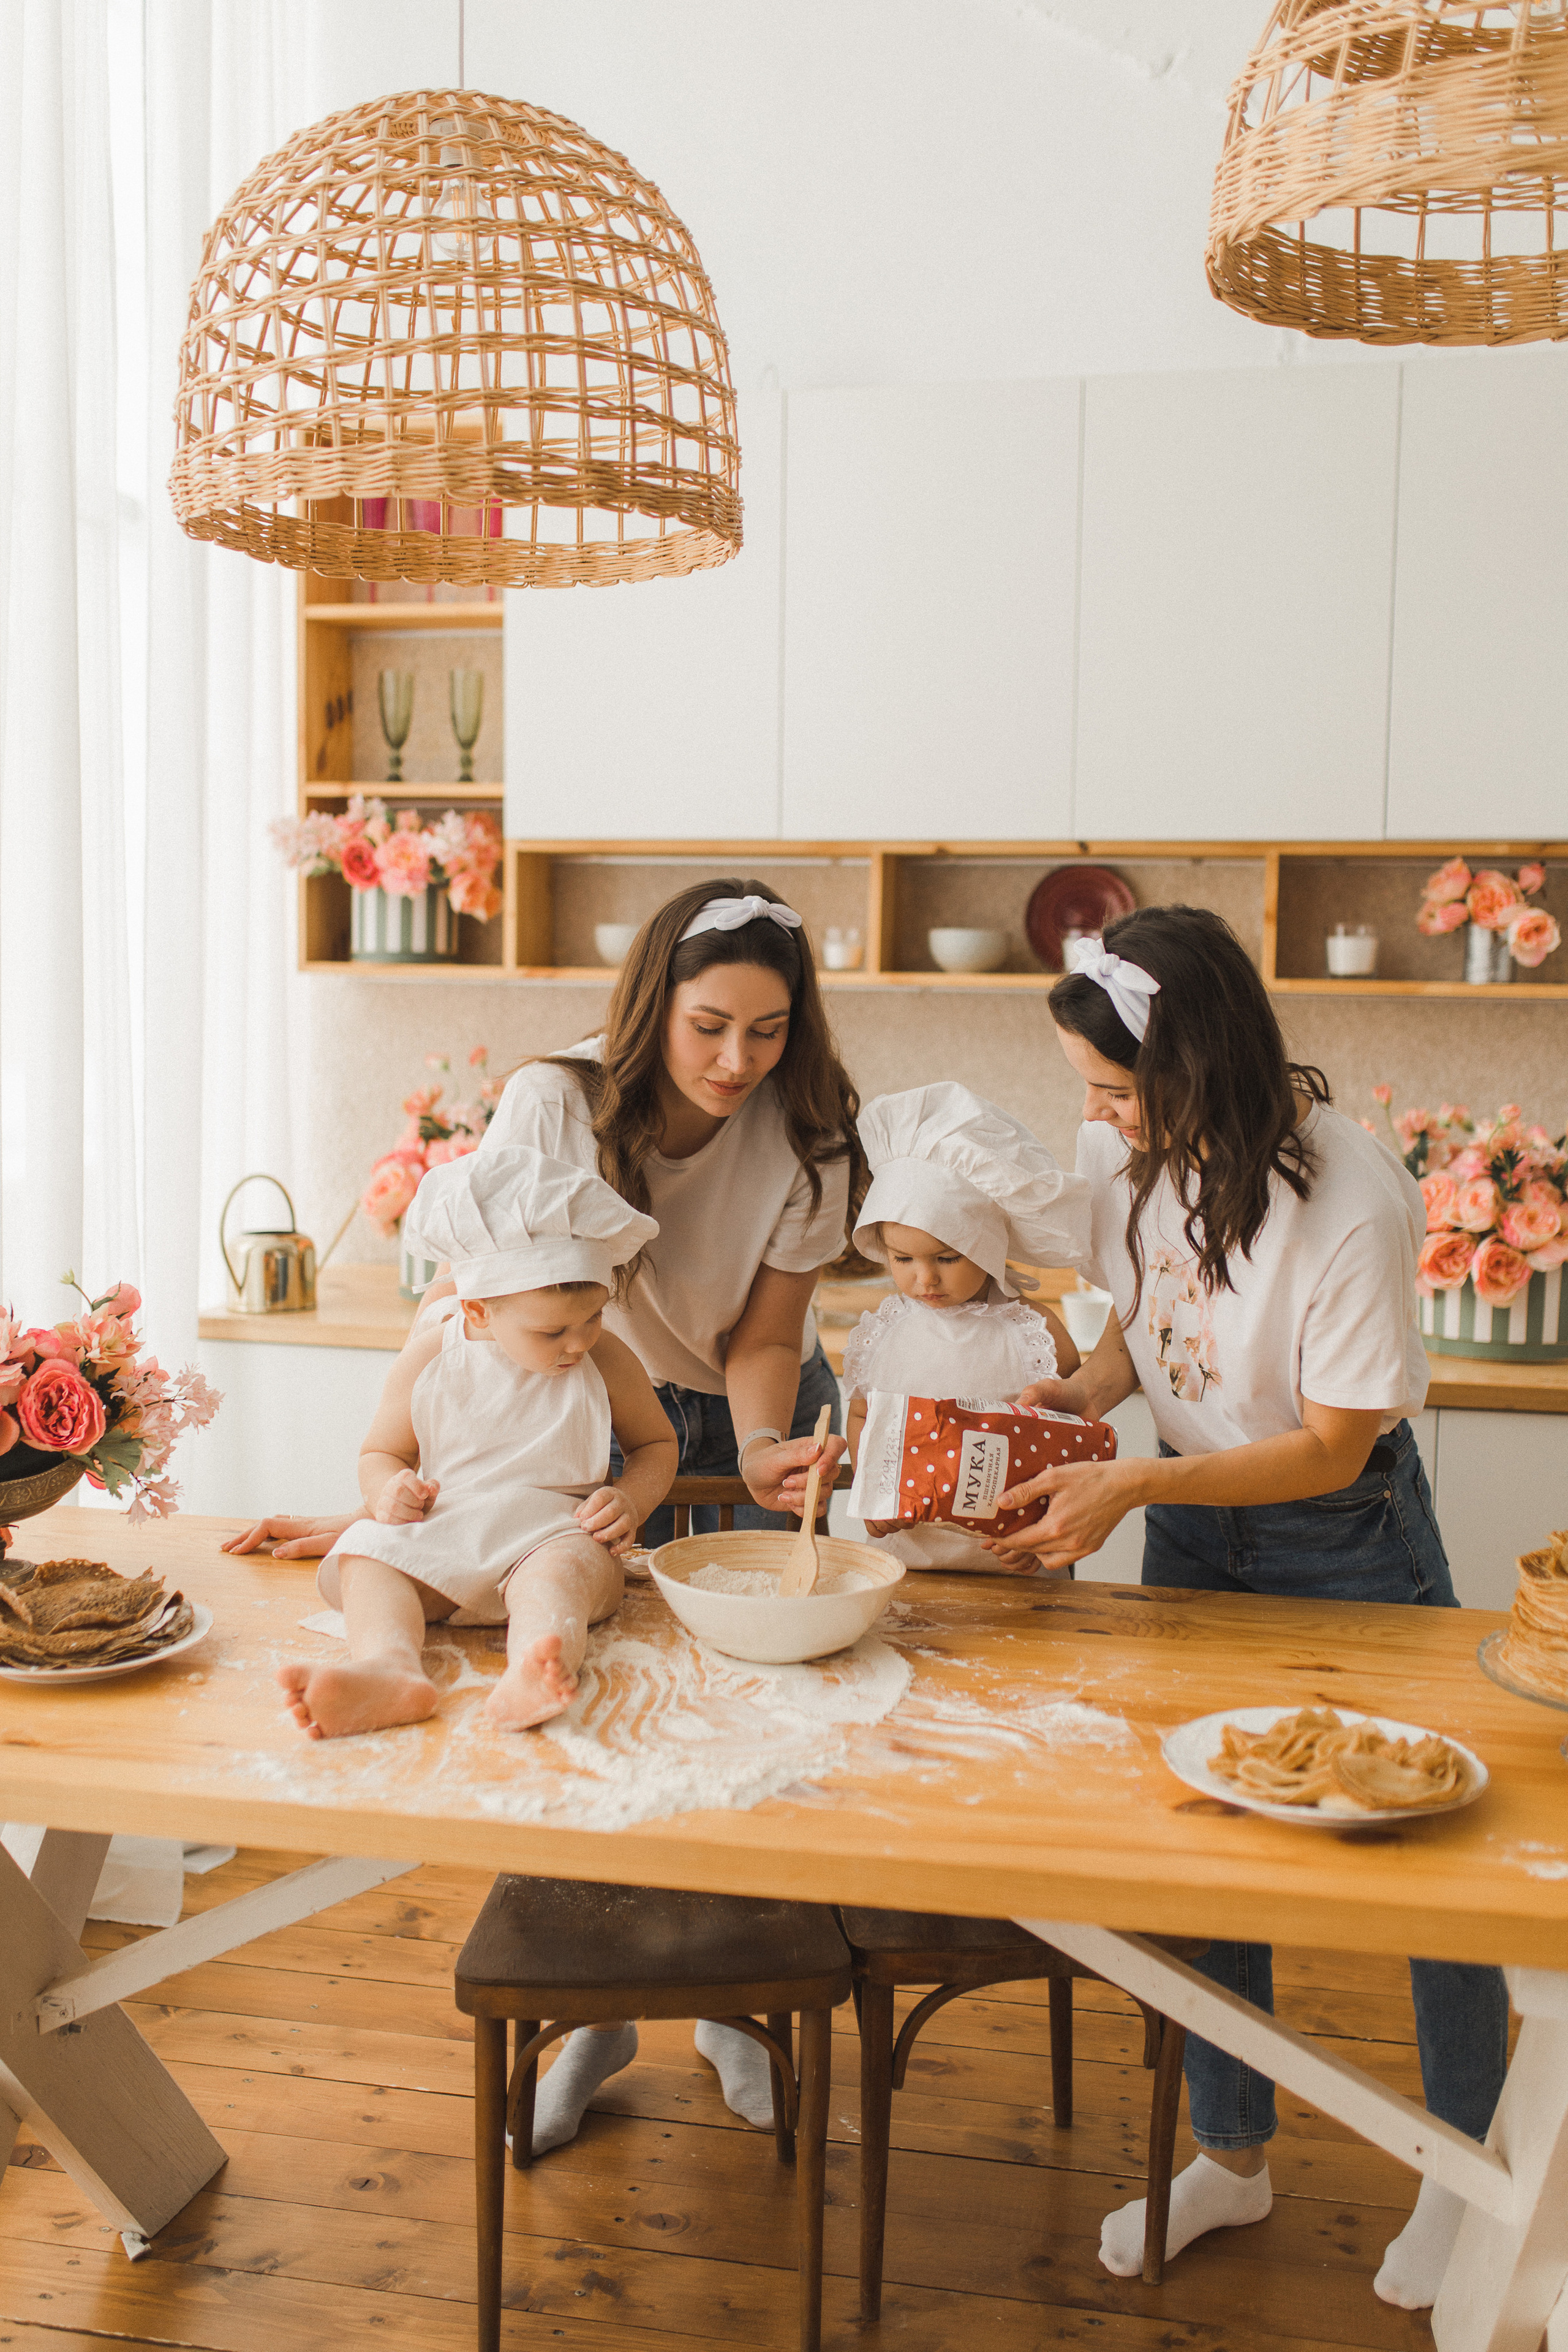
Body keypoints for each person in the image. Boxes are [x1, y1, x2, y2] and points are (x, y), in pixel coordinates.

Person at [235, 876, 865, 2144]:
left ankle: (732, 2007)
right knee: (588, 1719)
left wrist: (753, 1453)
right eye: (707, 1026)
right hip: (558, 1417)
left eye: (767, 1028)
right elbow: (476, 1309)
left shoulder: (810, 1134)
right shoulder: (556, 1100)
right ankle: (594, 2011)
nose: (737, 1060)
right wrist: (399, 1505)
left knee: (735, 1719)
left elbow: (767, 1333)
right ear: (653, 1007)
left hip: (722, 1417)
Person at [984, 907, 1508, 2316]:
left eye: (1107, 1089)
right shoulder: (1131, 1146)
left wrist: (1136, 1472)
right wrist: (1087, 1395)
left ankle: (1468, 2172)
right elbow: (1135, 1303)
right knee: (1202, 1830)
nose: (1088, 1117)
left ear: (1199, 1060)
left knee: (1431, 1867)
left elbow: (1334, 1443)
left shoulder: (1349, 1198)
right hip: (1189, 1516)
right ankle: (1229, 2149)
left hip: (1340, 1534)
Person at [276, 1148, 675, 1740]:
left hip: (557, 1533)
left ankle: (536, 1668)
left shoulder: (608, 1360)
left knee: (556, 1580)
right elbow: (378, 1453)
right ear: (479, 1310)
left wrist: (631, 1500)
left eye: (591, 1317)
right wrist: (388, 1492)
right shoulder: (433, 1358)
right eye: (551, 1330)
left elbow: (656, 1445)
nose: (577, 1342)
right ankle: (388, 1669)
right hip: (448, 1531)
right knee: (366, 1553)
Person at [841, 1081, 1088, 1571]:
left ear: (988, 1245)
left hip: (1017, 1560)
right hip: (906, 1561)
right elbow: (862, 1419)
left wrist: (1044, 1528)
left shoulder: (1033, 1331)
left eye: (947, 1258)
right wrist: (875, 1491)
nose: (924, 1277)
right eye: (903, 1258)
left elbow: (1073, 1436)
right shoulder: (884, 1332)